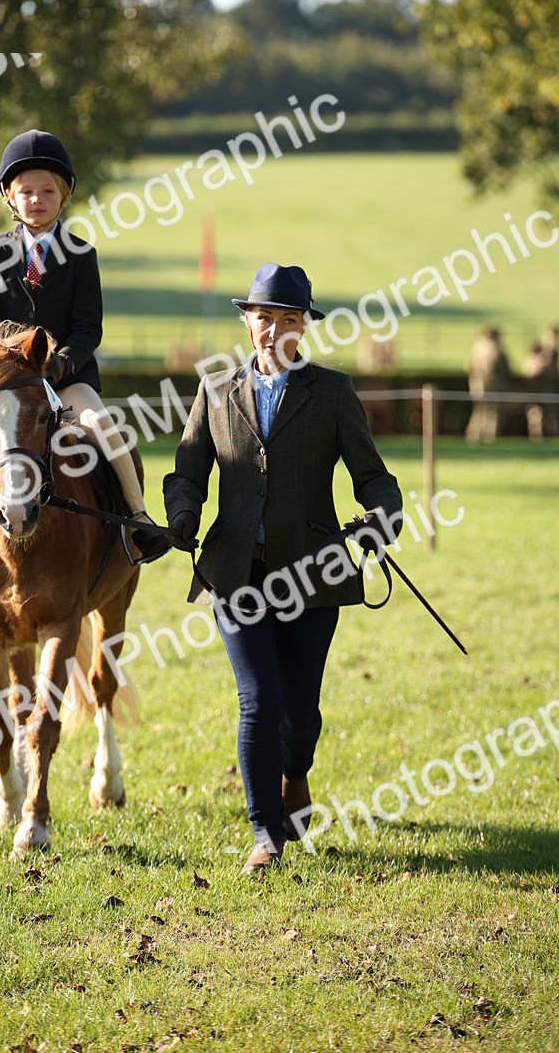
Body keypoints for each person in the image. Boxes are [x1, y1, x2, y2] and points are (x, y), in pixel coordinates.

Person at [163, 263, 402, 875]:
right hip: (236, 573)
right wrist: (184, 515)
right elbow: (187, 470)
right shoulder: (216, 391)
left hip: (312, 574)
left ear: (305, 327)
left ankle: (297, 773)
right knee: (258, 701)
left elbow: (372, 475)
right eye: (264, 318)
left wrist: (381, 519)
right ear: (247, 323)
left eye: (288, 320)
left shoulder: (332, 392)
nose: (274, 331)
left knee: (300, 711)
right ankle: (265, 833)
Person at [0, 129, 170, 580]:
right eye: (26, 191)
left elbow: (89, 327)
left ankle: (138, 521)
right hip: (5, 380)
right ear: (10, 196)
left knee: (104, 427)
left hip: (66, 377)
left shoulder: (81, 255)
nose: (37, 200)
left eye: (48, 191)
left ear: (63, 196)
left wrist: (59, 360)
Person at [464, 326, 511, 445]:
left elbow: (467, 366)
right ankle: (489, 437)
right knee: (493, 411)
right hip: (494, 383)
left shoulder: (477, 347)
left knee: (479, 409)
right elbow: (503, 367)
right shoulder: (494, 348)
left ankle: (473, 436)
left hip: (476, 383)